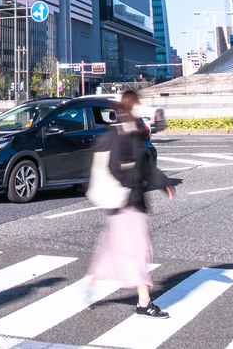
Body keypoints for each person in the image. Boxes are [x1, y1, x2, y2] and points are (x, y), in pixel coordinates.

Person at [82, 90, 176, 318]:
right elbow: (117, 167)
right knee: (139, 252)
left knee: (116, 250)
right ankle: (144, 303)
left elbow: (143, 166)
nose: (139, 107)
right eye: (137, 104)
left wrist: (163, 183)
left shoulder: (131, 132)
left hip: (126, 204)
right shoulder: (121, 134)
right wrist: (132, 183)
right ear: (130, 106)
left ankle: (90, 280)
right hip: (128, 204)